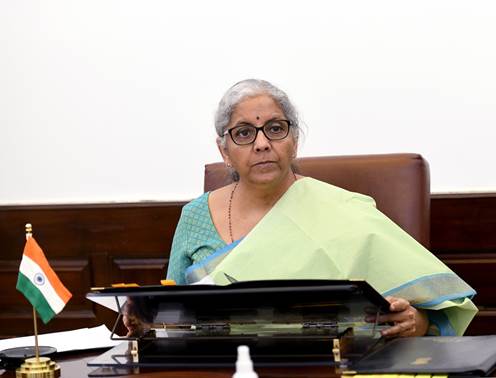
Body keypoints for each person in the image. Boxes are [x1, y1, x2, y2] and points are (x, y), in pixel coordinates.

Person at [166, 79, 477, 338]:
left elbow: (430, 313)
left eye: (275, 128)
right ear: (225, 150)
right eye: (244, 133)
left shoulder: (342, 211)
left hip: (333, 364)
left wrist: (415, 322)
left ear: (294, 140)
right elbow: (168, 319)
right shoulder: (196, 217)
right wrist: (141, 317)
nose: (261, 143)